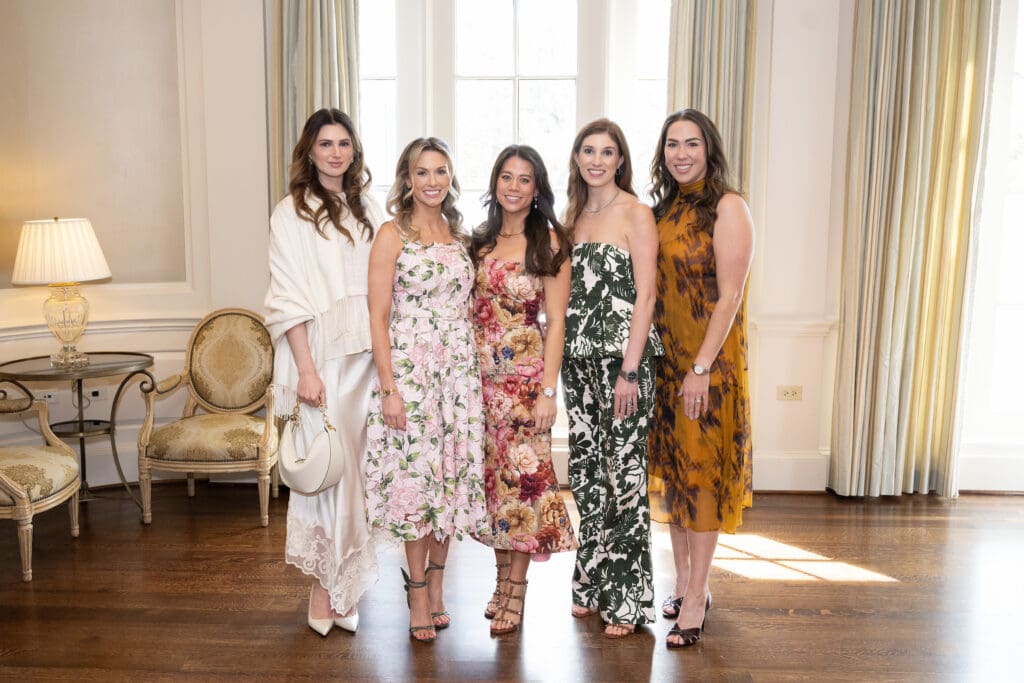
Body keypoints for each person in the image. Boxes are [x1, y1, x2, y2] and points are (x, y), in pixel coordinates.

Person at [364, 137, 489, 643]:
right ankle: (415, 591)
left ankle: (437, 588)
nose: (433, 181)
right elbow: (376, 317)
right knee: (417, 482)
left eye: (441, 171)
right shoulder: (392, 234)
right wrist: (389, 388)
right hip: (412, 376)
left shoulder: (461, 236)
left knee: (449, 480)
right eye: (423, 172)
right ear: (407, 179)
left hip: (458, 376)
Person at [265, 108, 382, 636]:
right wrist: (306, 371)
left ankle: (344, 588)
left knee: (355, 472)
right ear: (309, 152)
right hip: (322, 360)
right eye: (325, 144)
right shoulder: (289, 212)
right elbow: (287, 295)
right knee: (326, 471)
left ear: (354, 151)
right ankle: (322, 590)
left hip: (368, 360)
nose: (335, 152)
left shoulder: (371, 210)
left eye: (343, 143)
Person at [646, 109, 754, 648]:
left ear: (709, 148)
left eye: (691, 143)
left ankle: (696, 595)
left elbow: (729, 296)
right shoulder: (663, 210)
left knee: (702, 478)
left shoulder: (728, 207)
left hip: (707, 368)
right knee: (675, 476)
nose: (681, 153)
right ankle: (685, 580)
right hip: (667, 367)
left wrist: (701, 368)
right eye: (672, 144)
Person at [561, 119, 664, 638]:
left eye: (607, 151)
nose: (597, 160)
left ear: (620, 159)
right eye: (588, 150)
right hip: (577, 363)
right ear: (577, 158)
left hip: (624, 363)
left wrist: (630, 369)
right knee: (586, 473)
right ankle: (591, 579)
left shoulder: (636, 214)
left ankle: (626, 596)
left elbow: (645, 297)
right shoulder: (574, 216)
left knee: (624, 476)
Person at [470, 145, 578, 636]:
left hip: (525, 385)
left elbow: (555, 323)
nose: (514, 186)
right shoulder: (480, 241)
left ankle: (517, 593)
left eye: (525, 179)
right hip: (478, 386)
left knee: (526, 491)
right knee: (494, 490)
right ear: (495, 183)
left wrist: (548, 392)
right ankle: (498, 583)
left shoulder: (549, 241)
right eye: (506, 177)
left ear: (538, 189)